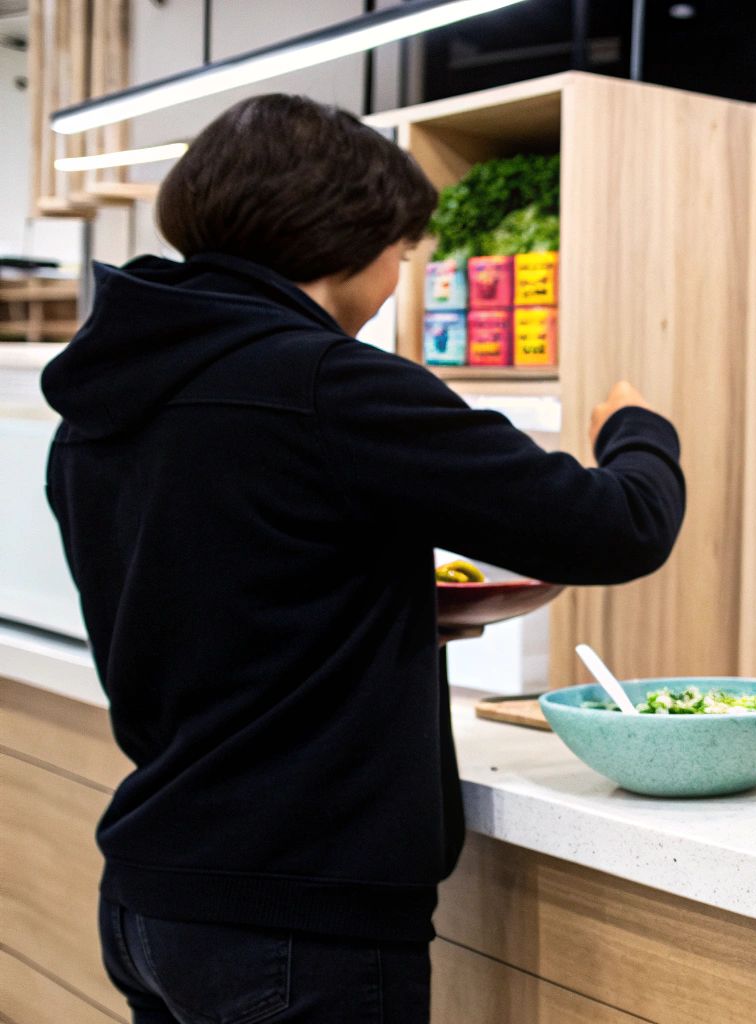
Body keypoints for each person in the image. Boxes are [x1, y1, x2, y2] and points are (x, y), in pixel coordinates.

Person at [41, 94, 686, 1023]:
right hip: (298, 918)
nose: (397, 277)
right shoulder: (325, 383)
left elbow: (220, 592)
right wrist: (638, 428)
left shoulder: (104, 397)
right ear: (348, 238)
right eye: (402, 253)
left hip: (151, 893)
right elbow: (618, 525)